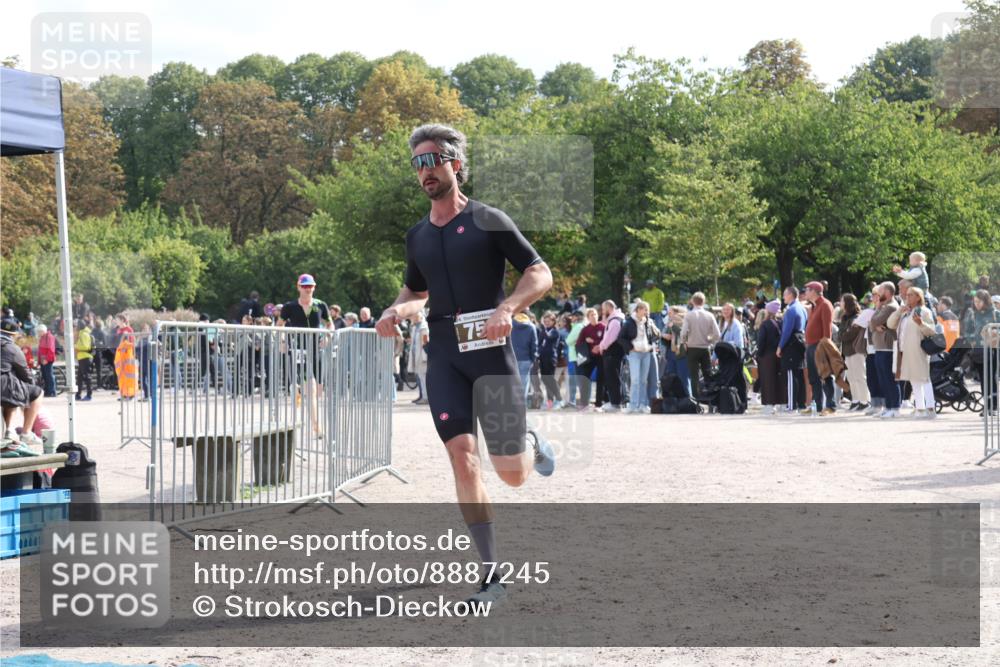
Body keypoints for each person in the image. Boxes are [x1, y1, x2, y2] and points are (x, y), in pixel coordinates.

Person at [374, 123, 555, 607]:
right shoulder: (417, 236)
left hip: (491, 354)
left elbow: (540, 272)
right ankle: (492, 575)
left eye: (432, 160)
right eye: (417, 163)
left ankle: (530, 444)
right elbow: (416, 290)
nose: (424, 171)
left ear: (454, 163)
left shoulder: (488, 219)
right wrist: (396, 309)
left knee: (512, 474)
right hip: (446, 357)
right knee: (462, 455)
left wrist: (507, 308)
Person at [887, 286, 937, 418]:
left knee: (924, 378)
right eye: (907, 295)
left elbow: (931, 331)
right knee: (914, 379)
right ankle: (920, 409)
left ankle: (930, 409)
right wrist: (899, 311)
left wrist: (921, 323)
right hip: (904, 350)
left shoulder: (924, 311)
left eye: (910, 295)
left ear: (918, 297)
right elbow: (890, 324)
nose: (907, 297)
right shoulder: (905, 312)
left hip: (918, 350)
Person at [1, 319, 44, 451]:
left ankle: (9, 430)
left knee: (13, 391)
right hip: (3, 387)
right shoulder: (12, 348)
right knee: (36, 392)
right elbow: (25, 373)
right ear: (14, 335)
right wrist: (32, 384)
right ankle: (26, 433)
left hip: (5, 387)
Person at [802, 281, 836, 415]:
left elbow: (827, 329)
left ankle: (830, 406)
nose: (805, 292)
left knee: (825, 375)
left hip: (820, 345)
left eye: (807, 290)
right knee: (813, 377)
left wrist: (825, 348)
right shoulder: (815, 306)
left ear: (814, 291)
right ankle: (818, 405)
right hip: (811, 345)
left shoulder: (825, 305)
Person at [869, 282, 902, 418]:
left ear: (887, 292)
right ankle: (888, 406)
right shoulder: (884, 306)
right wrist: (874, 325)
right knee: (883, 379)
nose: (878, 295)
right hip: (880, 347)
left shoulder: (890, 307)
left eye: (880, 292)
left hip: (887, 348)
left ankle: (895, 407)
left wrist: (876, 315)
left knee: (889, 379)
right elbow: (872, 324)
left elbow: (873, 320)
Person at [680, 292, 720, 402]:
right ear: (704, 301)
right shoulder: (710, 315)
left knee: (694, 376)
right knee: (708, 374)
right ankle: (710, 398)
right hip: (705, 348)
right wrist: (709, 339)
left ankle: (696, 399)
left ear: (692, 301)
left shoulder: (689, 315)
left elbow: (683, 333)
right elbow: (717, 334)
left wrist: (684, 343)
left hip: (692, 348)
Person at [623, 300, 660, 413]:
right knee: (635, 380)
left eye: (647, 310)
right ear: (638, 310)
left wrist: (651, 345)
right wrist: (630, 347)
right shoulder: (629, 322)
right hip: (634, 354)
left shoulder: (648, 322)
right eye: (645, 310)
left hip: (646, 353)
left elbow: (656, 335)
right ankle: (633, 405)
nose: (647, 312)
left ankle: (643, 404)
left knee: (644, 380)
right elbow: (621, 338)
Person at [776, 286, 807, 413]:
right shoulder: (802, 308)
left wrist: (780, 346)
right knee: (799, 374)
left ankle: (791, 405)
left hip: (791, 343)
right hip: (800, 341)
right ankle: (801, 403)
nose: (783, 297)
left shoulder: (791, 310)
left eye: (785, 294)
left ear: (791, 295)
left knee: (791, 374)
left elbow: (786, 331)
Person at [838, 294, 871, 412]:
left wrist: (845, 333)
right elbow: (840, 335)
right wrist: (845, 333)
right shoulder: (845, 317)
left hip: (857, 351)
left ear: (847, 303)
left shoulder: (857, 317)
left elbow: (850, 334)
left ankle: (865, 401)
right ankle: (856, 400)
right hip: (847, 351)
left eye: (842, 301)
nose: (840, 303)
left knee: (860, 376)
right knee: (851, 377)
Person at [597, 300, 627, 412]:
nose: (602, 311)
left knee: (613, 378)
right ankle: (615, 401)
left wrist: (601, 346)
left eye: (603, 309)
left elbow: (609, 338)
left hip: (612, 353)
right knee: (613, 378)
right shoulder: (616, 319)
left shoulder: (615, 321)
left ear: (609, 308)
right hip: (614, 353)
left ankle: (615, 403)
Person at [755, 300, 784, 415]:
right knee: (778, 380)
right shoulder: (781, 322)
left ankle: (769, 405)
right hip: (779, 354)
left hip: (766, 355)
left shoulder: (765, 324)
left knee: (767, 380)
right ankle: (780, 403)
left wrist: (759, 354)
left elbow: (761, 342)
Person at [575, 307, 605, 411]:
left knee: (601, 380)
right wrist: (586, 341)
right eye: (591, 315)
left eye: (595, 314)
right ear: (588, 317)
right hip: (589, 357)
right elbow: (578, 343)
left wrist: (597, 344)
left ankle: (598, 404)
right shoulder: (585, 329)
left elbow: (606, 340)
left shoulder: (603, 327)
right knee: (585, 379)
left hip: (601, 356)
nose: (594, 316)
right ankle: (584, 403)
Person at [538, 312, 564, 409]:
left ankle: (559, 399)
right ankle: (550, 401)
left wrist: (542, 327)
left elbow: (548, 337)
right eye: (545, 321)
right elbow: (539, 343)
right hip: (542, 358)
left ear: (553, 321)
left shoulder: (555, 331)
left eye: (548, 321)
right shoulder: (543, 331)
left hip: (551, 358)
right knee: (544, 378)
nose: (546, 323)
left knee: (550, 379)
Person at [511, 312, 539, 401]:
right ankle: (522, 405)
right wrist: (533, 359)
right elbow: (534, 345)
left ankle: (512, 404)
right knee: (524, 383)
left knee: (512, 383)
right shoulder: (531, 326)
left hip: (512, 359)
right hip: (526, 359)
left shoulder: (510, 324)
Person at [408, 310, 429, 404]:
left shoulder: (424, 328)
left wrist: (425, 357)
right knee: (420, 377)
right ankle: (422, 396)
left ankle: (425, 397)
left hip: (422, 357)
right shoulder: (415, 327)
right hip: (416, 356)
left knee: (423, 378)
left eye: (415, 317)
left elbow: (425, 343)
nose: (413, 319)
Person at [74, 319, 94, 401]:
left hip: (85, 357)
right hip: (82, 358)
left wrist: (76, 346)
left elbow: (86, 347)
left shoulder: (84, 334)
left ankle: (89, 395)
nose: (75, 327)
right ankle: (78, 395)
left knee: (87, 377)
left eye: (76, 326)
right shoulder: (82, 333)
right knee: (80, 378)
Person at [36, 324, 58, 397]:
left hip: (47, 360)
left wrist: (47, 359)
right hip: (43, 360)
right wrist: (39, 361)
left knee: (49, 376)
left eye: (39, 332)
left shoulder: (49, 337)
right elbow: (40, 351)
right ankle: (47, 391)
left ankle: (52, 392)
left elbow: (51, 349)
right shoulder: (42, 337)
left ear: (42, 331)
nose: (38, 333)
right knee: (45, 376)